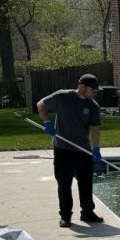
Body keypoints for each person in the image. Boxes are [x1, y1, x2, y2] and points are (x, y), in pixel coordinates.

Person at [36, 73, 104, 228]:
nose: (94, 93)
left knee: (86, 183)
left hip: (83, 150)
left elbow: (95, 128)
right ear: (82, 87)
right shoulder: (62, 96)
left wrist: (96, 147)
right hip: (63, 149)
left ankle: (87, 213)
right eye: (93, 90)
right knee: (64, 184)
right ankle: (65, 216)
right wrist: (47, 122)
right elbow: (41, 104)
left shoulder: (93, 106)